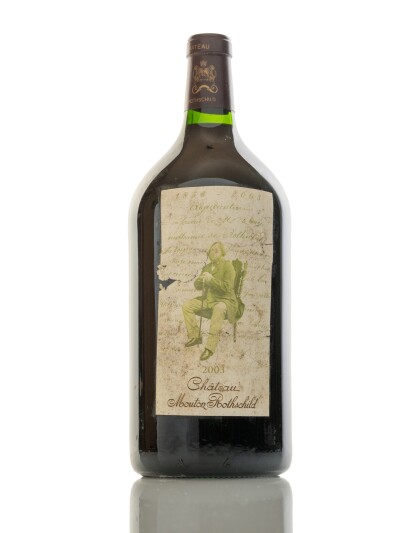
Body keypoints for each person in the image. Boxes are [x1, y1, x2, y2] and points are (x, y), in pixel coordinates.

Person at [182, 242, 238, 361]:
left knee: (219, 308)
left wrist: (211, 280)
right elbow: (197, 286)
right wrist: (200, 280)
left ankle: (210, 348)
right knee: (187, 306)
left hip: (225, 300)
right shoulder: (207, 267)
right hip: (209, 300)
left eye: (216, 250)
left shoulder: (228, 266)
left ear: (222, 252)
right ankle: (196, 336)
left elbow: (227, 288)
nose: (213, 252)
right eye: (211, 250)